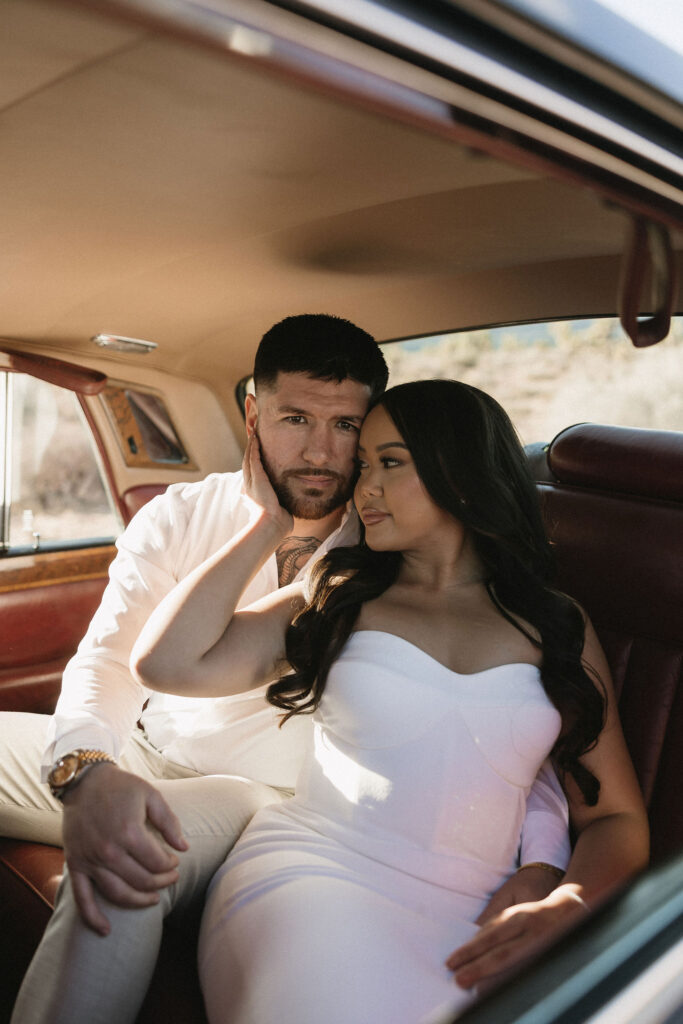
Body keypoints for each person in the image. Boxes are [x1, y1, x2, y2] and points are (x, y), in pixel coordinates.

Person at [5, 325, 567, 1024]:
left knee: (127, 860)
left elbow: (502, 722)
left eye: (346, 427)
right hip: (144, 747)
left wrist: (544, 861)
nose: (322, 453)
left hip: (259, 794)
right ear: (252, 415)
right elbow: (114, 662)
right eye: (296, 419)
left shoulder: (393, 544)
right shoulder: (179, 514)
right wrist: (89, 771)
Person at [131, 379, 649, 1024]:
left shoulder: (556, 625)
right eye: (363, 465)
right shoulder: (339, 593)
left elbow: (615, 818)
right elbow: (168, 662)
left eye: (390, 463)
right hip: (316, 874)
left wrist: (566, 903)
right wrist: (269, 524)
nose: (363, 487)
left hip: (485, 910)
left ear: (459, 473)